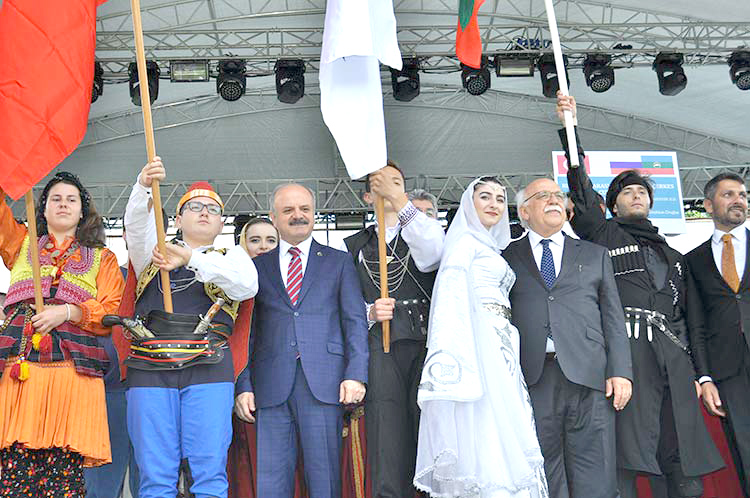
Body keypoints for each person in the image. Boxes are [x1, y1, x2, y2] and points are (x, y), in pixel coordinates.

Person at [557, 93, 723, 498]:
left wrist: (702, 376)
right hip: (628, 357)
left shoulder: (674, 254)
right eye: (628, 192)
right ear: (612, 204)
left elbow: (693, 320)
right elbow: (580, 189)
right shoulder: (603, 234)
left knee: (680, 454)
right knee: (626, 453)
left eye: (643, 193)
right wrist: (570, 127)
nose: (637, 196)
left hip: (674, 361)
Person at [116, 157, 258, 498]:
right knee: (154, 473)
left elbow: (247, 286)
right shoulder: (153, 253)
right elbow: (137, 224)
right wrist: (141, 185)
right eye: (194, 206)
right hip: (150, 366)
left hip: (208, 366)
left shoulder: (233, 256)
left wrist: (191, 259)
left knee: (209, 473)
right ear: (177, 218)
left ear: (221, 221)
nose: (204, 211)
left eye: (212, 208)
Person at [414, 176, 548, 497]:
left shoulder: (490, 247)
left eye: (500, 199)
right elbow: (450, 300)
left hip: (502, 346)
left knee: (504, 430)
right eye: (485, 197)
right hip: (479, 347)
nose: (494, 205)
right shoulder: (462, 245)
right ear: (468, 205)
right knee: (485, 427)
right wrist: (462, 353)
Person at [234, 183, 368, 497]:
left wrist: (356, 374)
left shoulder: (338, 261)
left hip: (325, 383)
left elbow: (355, 321)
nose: (298, 216)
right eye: (289, 210)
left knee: (325, 482)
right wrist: (243, 385)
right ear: (273, 217)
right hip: (270, 387)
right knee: (272, 484)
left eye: (305, 209)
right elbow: (246, 333)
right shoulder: (256, 267)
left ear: (314, 213)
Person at [503, 177, 632, 498]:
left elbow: (613, 317)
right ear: (524, 211)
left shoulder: (594, 254)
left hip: (590, 377)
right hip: (532, 377)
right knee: (544, 469)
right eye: (543, 196)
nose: (553, 200)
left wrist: (621, 371)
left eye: (557, 195)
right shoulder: (503, 257)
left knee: (596, 469)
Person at [0, 172, 124, 495]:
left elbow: (112, 311)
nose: (63, 204)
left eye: (71, 199)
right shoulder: (21, 242)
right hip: (20, 369)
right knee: (13, 469)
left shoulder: (103, 259)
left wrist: (67, 312)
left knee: (63, 473)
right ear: (42, 209)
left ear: (83, 211)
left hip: (73, 374)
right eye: (55, 198)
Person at [342, 164, 444, 497]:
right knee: (386, 435)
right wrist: (368, 312)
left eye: (397, 182)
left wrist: (401, 202)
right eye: (380, 184)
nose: (388, 188)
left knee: (430, 432)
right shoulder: (353, 245)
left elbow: (433, 254)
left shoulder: (423, 230)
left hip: (428, 343)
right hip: (380, 345)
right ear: (368, 196)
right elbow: (341, 302)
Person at [686, 172, 750, 497]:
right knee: (744, 447)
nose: (738, 199)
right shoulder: (692, 261)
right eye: (728, 195)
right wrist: (706, 376)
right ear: (709, 205)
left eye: (741, 194)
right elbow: (695, 324)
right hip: (728, 371)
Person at [85, 228, 140, 498]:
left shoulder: (176, 276)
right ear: (127, 234)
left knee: (155, 480)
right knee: (102, 480)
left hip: (159, 388)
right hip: (110, 388)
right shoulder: (107, 273)